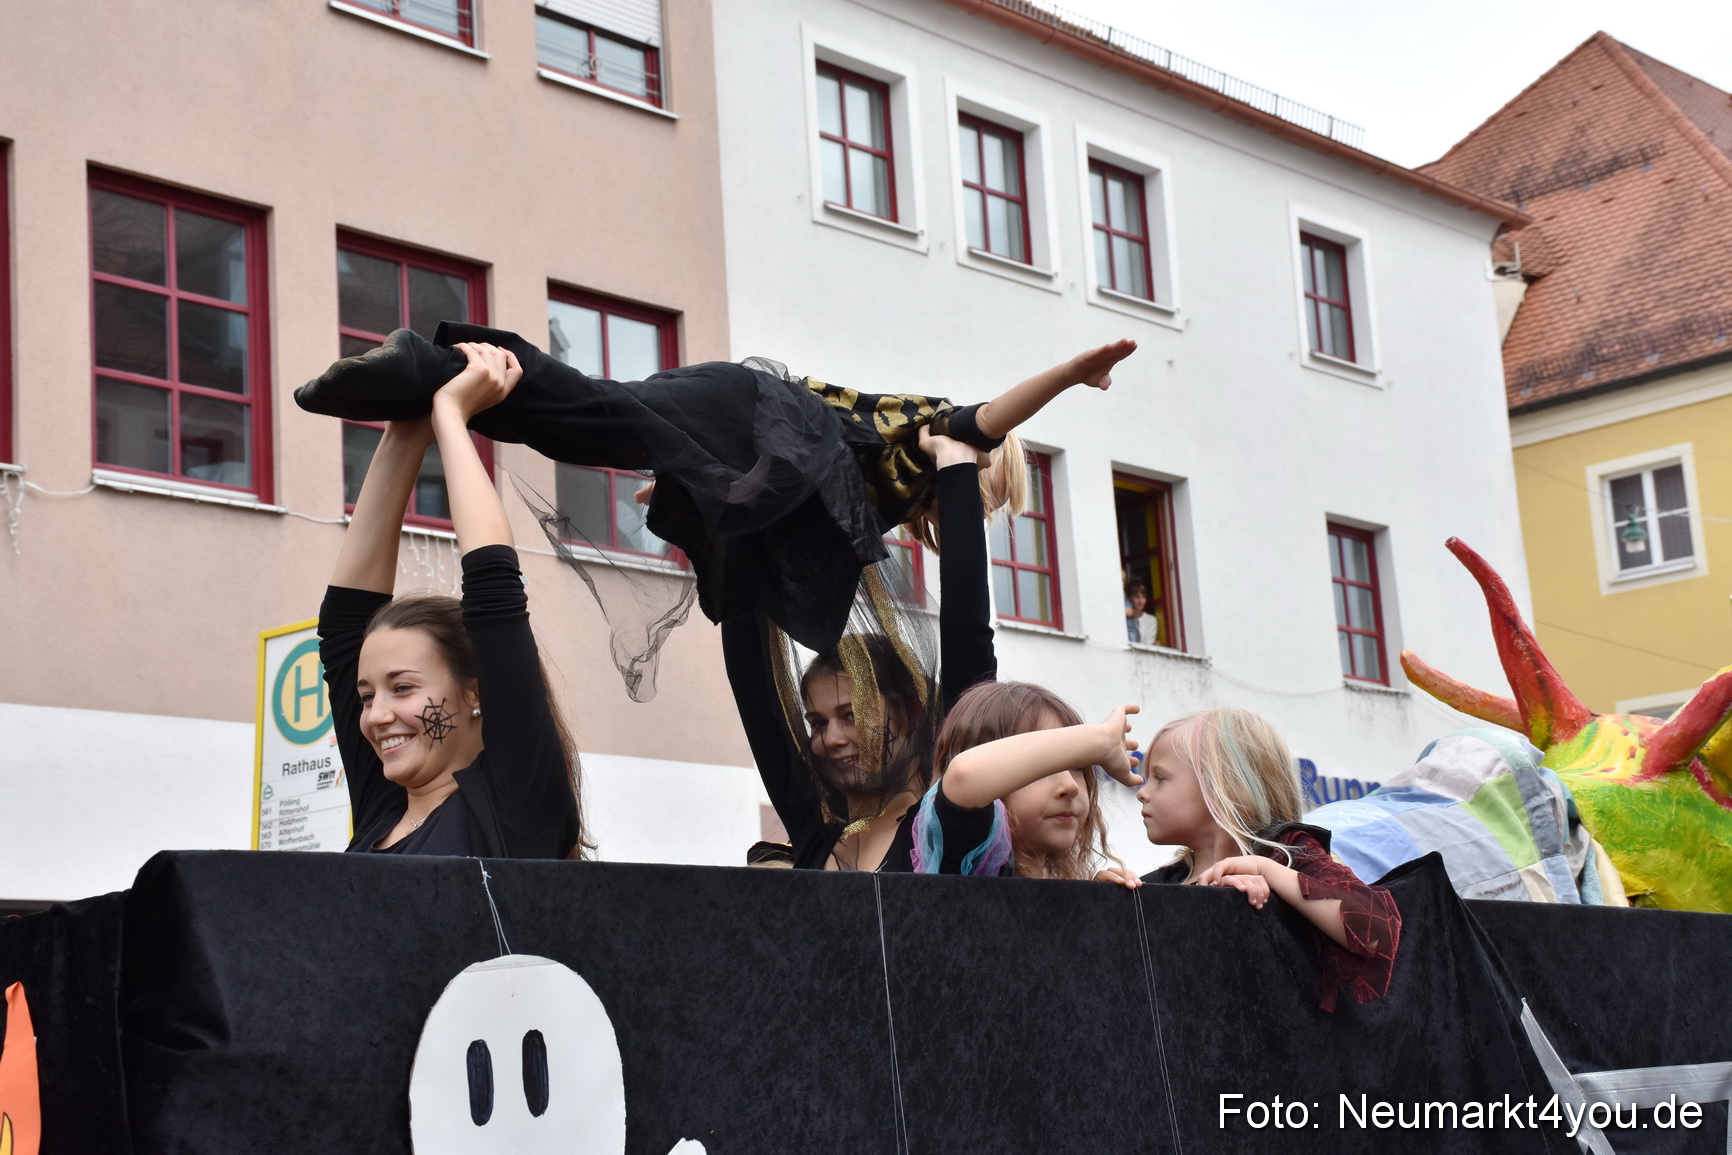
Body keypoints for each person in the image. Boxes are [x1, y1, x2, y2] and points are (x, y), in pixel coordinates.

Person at [298, 322, 1136, 661]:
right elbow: (987, 417)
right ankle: (437, 369)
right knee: (600, 415)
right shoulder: (928, 444)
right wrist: (1067, 374)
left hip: (738, 428)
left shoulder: (873, 499)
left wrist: (689, 482)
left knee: (601, 418)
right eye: (986, 501)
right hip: (746, 410)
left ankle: (435, 379)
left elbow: (780, 497)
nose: (969, 521)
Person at [318, 343, 583, 858]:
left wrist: (451, 416)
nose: (375, 716)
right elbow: (343, 625)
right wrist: (407, 428)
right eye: (369, 695)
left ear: (476, 693)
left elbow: (495, 593)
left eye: (402, 687)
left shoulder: (518, 811)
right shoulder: (384, 808)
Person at [1136, 707, 1401, 1010]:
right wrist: (1105, 896)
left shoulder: (1286, 853)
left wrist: (1267, 870)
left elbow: (1376, 933)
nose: (1142, 792)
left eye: (1159, 778)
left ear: (1222, 785)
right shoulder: (1165, 882)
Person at [908, 681, 1139, 880]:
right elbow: (965, 775)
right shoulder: (964, 858)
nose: (1070, 787)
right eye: (1041, 768)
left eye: (1078, 767)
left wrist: (1095, 907)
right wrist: (1102, 740)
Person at [1124, 580, 1160, 645]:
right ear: (1130, 598)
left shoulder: (1151, 620)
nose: (1141, 601)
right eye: (1137, 597)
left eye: (1144, 597)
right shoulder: (1124, 617)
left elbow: (1148, 644)